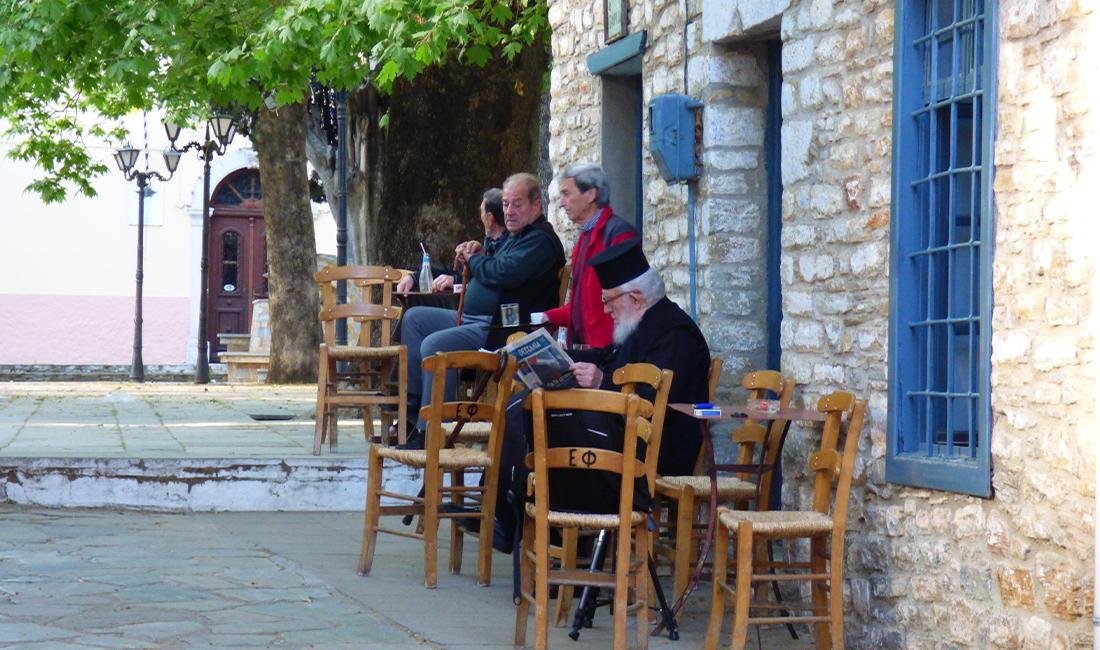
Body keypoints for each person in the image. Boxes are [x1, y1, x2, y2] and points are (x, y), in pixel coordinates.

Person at [494, 237, 711, 546]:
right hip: (621, 435)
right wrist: (558, 355)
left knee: (534, 414)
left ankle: (544, 528)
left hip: (654, 451)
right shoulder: (643, 323)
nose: (606, 310)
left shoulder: (675, 336)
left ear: (635, 299)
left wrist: (601, 383)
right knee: (524, 406)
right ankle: (523, 518)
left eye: (609, 301)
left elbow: (651, 401)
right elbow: (610, 357)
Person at [398, 173, 565, 448]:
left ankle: (433, 433)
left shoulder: (540, 241)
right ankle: (414, 416)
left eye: (517, 204)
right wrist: (479, 250)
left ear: (537, 205)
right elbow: (488, 265)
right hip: (474, 320)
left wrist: (477, 259)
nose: (509, 211)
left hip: (501, 330)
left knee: (435, 344)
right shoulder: (516, 237)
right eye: (507, 204)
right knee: (414, 319)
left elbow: (503, 272)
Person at [537, 163, 636, 348]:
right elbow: (582, 305)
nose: (561, 202)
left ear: (590, 194)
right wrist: (547, 317)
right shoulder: (584, 238)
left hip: (608, 357)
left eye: (566, 194)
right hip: (587, 354)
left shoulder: (619, 235)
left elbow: (628, 306)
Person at [397, 188, 508, 294]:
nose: (480, 217)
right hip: (470, 308)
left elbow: (490, 283)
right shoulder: (490, 243)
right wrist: (414, 278)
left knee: (414, 313)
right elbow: (456, 272)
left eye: (481, 212)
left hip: (480, 312)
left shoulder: (509, 248)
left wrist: (455, 281)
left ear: (490, 218)